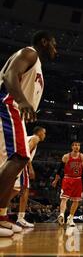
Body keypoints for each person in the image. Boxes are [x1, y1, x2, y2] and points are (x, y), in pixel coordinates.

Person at [0, 31, 56, 237]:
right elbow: (9, 76)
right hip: (8, 106)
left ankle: (2, 216)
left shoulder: (37, 63)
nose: (55, 49)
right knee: (20, 157)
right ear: (44, 41)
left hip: (14, 111)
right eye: (54, 44)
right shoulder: (30, 53)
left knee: (12, 164)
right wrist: (22, 101)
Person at [10, 126, 46, 228]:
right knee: (25, 190)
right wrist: (30, 168)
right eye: (44, 133)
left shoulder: (27, 137)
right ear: (39, 133)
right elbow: (26, 153)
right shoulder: (35, 138)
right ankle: (21, 218)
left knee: (15, 190)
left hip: (14, 163)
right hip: (22, 164)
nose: (44, 135)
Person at [51, 142, 83, 227]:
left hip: (78, 180)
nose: (76, 147)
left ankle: (70, 218)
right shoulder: (66, 156)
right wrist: (55, 180)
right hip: (67, 179)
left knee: (76, 200)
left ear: (79, 147)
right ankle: (62, 214)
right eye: (75, 145)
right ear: (72, 147)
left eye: (78, 145)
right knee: (64, 198)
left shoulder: (82, 156)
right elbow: (59, 170)